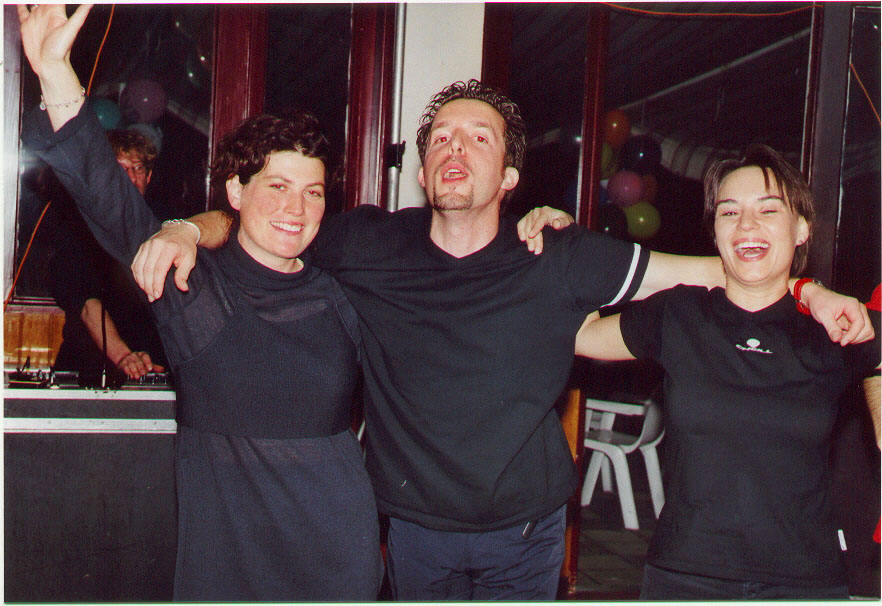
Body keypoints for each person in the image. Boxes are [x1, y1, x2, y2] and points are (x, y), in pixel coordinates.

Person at [132, 78, 873, 598]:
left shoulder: (557, 253)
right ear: (424, 167)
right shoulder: (365, 242)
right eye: (441, 138)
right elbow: (264, 222)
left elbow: (723, 266)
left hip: (526, 533)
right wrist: (182, 228)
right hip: (414, 529)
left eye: (478, 138)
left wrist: (807, 289)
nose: (456, 148)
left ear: (510, 173)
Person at [18, 4, 383, 600]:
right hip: (231, 566)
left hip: (338, 561)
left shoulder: (344, 290)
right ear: (237, 190)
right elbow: (112, 203)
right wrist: (56, 74)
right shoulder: (194, 288)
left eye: (313, 192)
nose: (296, 208)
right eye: (278, 186)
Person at [573, 145, 881, 600]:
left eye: (768, 210)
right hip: (685, 575)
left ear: (801, 229)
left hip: (804, 581)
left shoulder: (832, 327)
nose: (746, 225)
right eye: (729, 212)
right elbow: (582, 336)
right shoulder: (678, 314)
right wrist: (563, 245)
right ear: (715, 233)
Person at [50, 128, 169, 385]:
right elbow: (85, 303)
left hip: (148, 371)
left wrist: (161, 361)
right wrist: (123, 356)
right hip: (87, 372)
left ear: (149, 176)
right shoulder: (76, 227)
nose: (129, 178)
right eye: (120, 168)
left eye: (137, 168)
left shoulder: (164, 230)